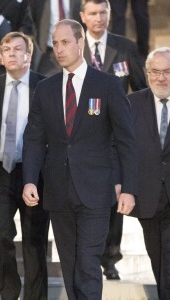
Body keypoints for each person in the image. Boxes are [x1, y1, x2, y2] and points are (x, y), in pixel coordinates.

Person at [22, 19, 138, 299]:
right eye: (55, 43)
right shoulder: (46, 89)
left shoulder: (108, 85)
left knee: (87, 265)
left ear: (80, 42)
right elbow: (34, 139)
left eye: (65, 42)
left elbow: (126, 141)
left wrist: (129, 188)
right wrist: (28, 180)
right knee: (71, 266)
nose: (59, 49)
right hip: (59, 191)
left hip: (96, 191)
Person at [79, 0, 147, 280]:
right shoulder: (73, 47)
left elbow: (141, 89)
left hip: (116, 139)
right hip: (84, 139)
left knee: (116, 197)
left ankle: (110, 259)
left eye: (103, 12)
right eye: (93, 13)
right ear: (83, 17)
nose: (99, 18)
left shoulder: (126, 47)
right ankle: (89, 257)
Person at [0, 32, 49, 300]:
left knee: (34, 243)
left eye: (16, 49)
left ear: (28, 55)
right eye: (6, 48)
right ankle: (9, 292)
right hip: (0, 172)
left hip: (36, 173)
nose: (10, 53)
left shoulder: (45, 87)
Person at [128, 47, 170, 300]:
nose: (161, 78)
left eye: (167, 72)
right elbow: (119, 147)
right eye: (155, 72)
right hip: (148, 196)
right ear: (146, 74)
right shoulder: (132, 103)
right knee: (157, 256)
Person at [29, 0, 82, 76]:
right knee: (49, 85)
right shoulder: (39, 2)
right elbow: (30, 21)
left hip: (74, 52)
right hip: (48, 54)